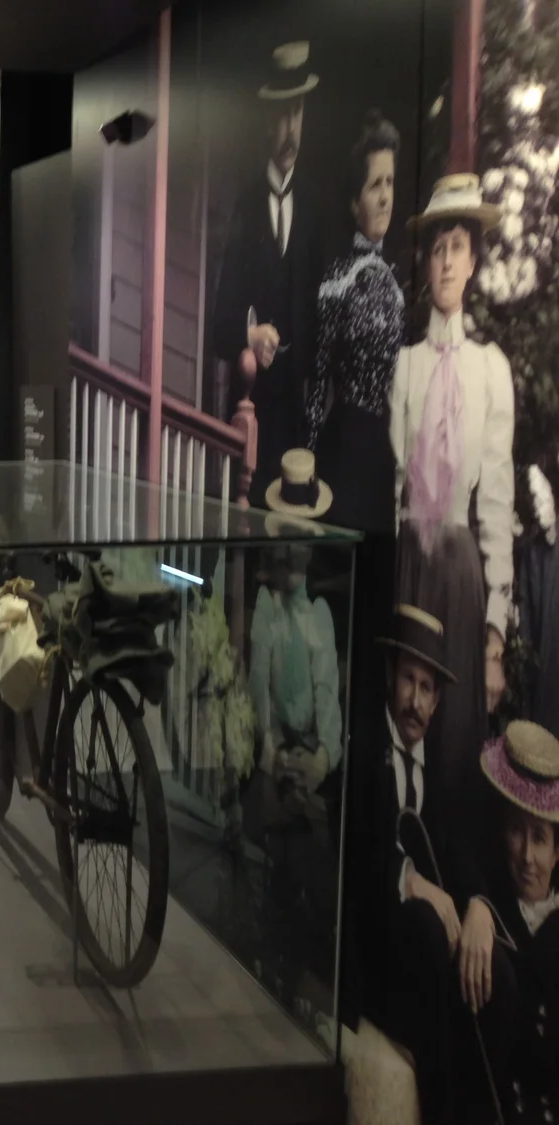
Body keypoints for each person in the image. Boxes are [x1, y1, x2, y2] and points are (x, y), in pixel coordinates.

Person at [361, 603, 512, 1125]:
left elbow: (460, 852)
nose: (416, 701)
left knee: (496, 970)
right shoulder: (366, 749)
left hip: (425, 961)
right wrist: (411, 881)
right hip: (375, 953)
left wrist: (480, 908)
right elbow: (357, 849)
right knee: (428, 927)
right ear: (390, 675)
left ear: (439, 699)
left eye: (428, 689)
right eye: (409, 681)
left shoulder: (437, 769)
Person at [390, 174, 514, 807]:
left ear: (472, 263)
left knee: (453, 741)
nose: (444, 262)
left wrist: (494, 636)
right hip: (410, 563)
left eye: (457, 248)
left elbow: (495, 503)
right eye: (437, 248)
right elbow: (391, 486)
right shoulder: (406, 365)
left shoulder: (490, 370)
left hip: (460, 573)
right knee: (402, 724)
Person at [248, 449, 343, 1009]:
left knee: (314, 849)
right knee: (278, 845)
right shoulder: (267, 607)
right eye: (289, 541)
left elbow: (328, 693)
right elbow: (258, 685)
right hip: (276, 749)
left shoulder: (320, 616)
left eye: (304, 542)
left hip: (308, 755)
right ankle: (272, 960)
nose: (295, 552)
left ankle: (307, 972)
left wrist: (322, 757)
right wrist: (270, 748)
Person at [211, 41, 324, 507]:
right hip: (250, 413)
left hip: (296, 417)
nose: (290, 128)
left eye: (297, 114)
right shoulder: (245, 204)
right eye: (281, 116)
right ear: (266, 122)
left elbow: (322, 319)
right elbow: (219, 327)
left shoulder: (315, 209)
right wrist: (250, 333)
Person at [307, 113, 403, 534]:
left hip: (383, 454)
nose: (385, 197)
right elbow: (317, 382)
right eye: (374, 185)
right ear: (354, 202)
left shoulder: (396, 288)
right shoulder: (337, 280)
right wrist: (306, 470)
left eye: (390, 183)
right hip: (343, 449)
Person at [477, 721, 559, 1124]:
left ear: (557, 854)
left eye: (539, 838)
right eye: (516, 832)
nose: (527, 856)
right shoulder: (488, 916)